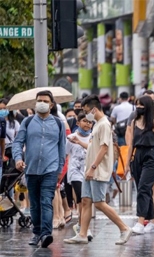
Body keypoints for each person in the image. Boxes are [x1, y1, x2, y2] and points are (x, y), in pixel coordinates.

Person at [64, 95, 132, 244]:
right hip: (90, 169)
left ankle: (124, 228)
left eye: (86, 110)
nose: (86, 114)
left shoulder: (103, 124)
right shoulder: (98, 124)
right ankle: (82, 234)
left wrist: (93, 167)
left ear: (94, 109)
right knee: (86, 200)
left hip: (97, 170)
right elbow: (94, 148)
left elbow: (104, 148)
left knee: (99, 202)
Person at [13, 90, 65, 248]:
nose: (41, 103)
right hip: (31, 170)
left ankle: (46, 234)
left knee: (46, 201)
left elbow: (61, 148)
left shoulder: (58, 123)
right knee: (34, 204)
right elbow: (17, 142)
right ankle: (37, 232)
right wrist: (18, 159)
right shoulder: (27, 122)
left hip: (51, 169)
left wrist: (60, 170)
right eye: (39, 100)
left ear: (51, 104)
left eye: (45, 100)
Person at [125, 96, 154, 234]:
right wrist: (127, 164)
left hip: (151, 155)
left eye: (142, 105)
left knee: (144, 187)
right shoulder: (133, 122)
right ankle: (150, 221)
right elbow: (131, 144)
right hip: (137, 156)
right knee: (141, 189)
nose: (139, 107)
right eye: (137, 104)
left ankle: (140, 221)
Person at [66, 113, 93, 239]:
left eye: (90, 122)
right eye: (84, 121)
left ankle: (81, 225)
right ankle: (84, 229)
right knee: (82, 200)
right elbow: (65, 154)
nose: (87, 124)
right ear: (78, 123)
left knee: (87, 201)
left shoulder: (93, 138)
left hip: (88, 172)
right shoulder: (71, 137)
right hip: (75, 172)